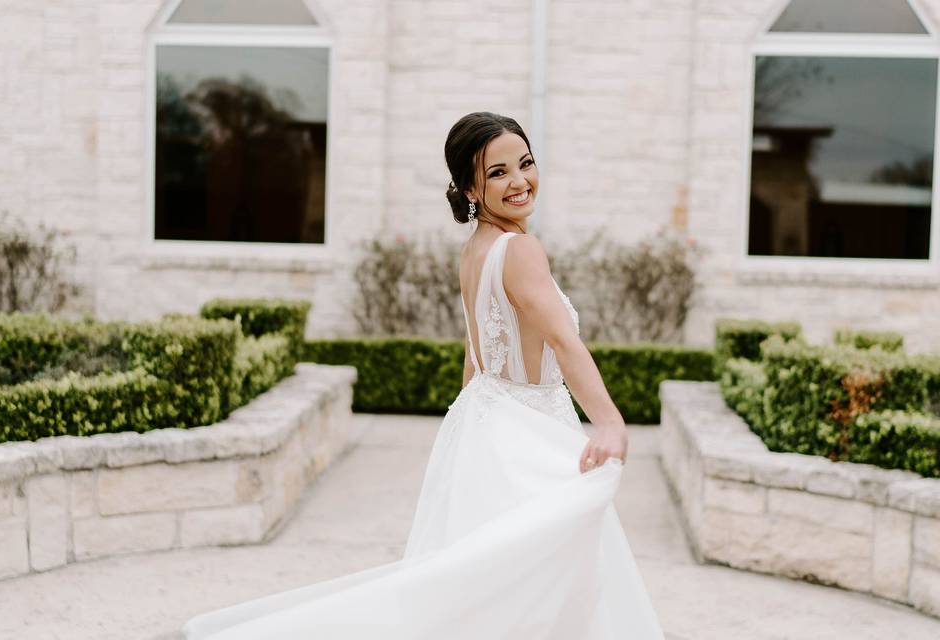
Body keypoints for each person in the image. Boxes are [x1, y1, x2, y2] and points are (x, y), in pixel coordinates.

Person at [181, 111, 666, 639]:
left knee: (489, 583)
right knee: (540, 581)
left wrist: (471, 426)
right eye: (498, 172)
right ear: (468, 187)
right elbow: (562, 341)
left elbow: (475, 350)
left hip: (487, 428)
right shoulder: (521, 249)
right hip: (527, 431)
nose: (520, 181)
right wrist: (609, 421)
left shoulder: (476, 250)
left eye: (525, 163)